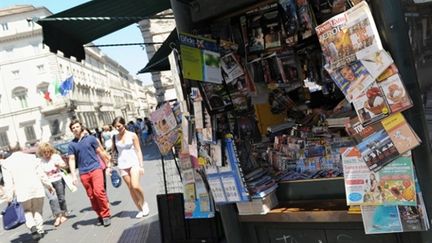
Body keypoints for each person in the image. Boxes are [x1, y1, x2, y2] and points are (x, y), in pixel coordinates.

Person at [1, 147, 54, 240]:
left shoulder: (6, 163)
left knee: (27, 211)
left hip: (22, 191)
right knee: (38, 210)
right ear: (21, 148)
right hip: (36, 187)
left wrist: (9, 197)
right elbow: (41, 174)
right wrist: (49, 186)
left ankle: (32, 226)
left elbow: (8, 182)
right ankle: (40, 229)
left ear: (9, 150)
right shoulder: (32, 158)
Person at [68, 119, 112, 227]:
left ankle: (106, 215)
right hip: (83, 173)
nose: (75, 129)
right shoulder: (72, 145)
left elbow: (100, 152)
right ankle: (100, 214)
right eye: (73, 128)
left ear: (81, 127)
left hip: (95, 168)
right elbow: (72, 160)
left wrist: (108, 165)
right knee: (91, 196)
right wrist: (73, 176)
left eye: (77, 127)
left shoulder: (91, 139)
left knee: (99, 192)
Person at [112, 116, 149, 218]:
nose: (118, 128)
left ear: (124, 124)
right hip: (122, 165)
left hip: (134, 163)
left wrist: (141, 165)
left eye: (119, 126)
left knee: (135, 185)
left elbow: (138, 150)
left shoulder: (132, 135)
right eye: (116, 127)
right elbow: (113, 152)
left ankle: (144, 202)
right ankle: (140, 209)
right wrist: (109, 166)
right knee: (131, 189)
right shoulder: (114, 137)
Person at [37, 142, 69, 227]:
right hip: (48, 183)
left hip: (58, 179)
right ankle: (57, 216)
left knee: (61, 198)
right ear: (41, 152)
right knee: (52, 199)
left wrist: (59, 164)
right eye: (45, 152)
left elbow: (65, 165)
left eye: (48, 152)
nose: (47, 154)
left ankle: (63, 213)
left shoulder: (55, 157)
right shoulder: (40, 161)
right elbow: (40, 173)